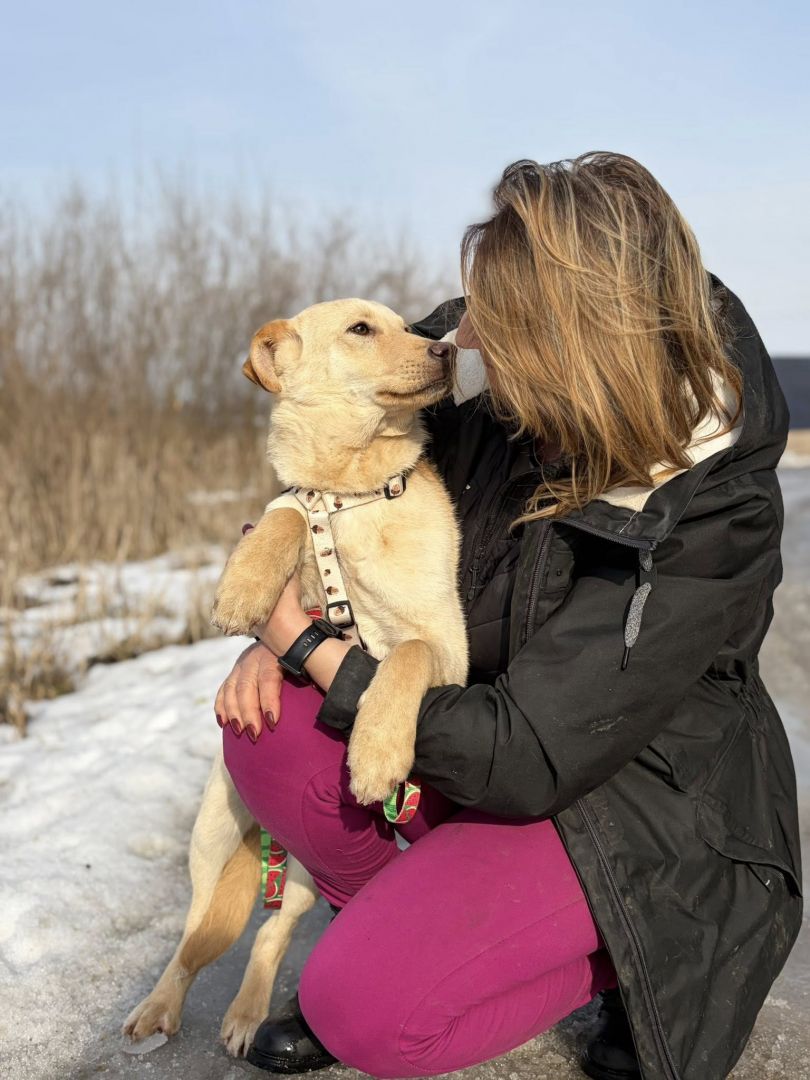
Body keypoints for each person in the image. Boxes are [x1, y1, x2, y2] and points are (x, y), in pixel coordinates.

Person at [216, 153, 802, 1080]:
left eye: (498, 318)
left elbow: (532, 755)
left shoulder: (708, 505)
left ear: (572, 331)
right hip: (484, 734)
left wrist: (308, 644)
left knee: (364, 1013)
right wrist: (286, 590)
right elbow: (342, 459)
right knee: (268, 731)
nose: (469, 341)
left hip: (631, 809)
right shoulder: (506, 406)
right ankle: (402, 928)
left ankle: (619, 962)